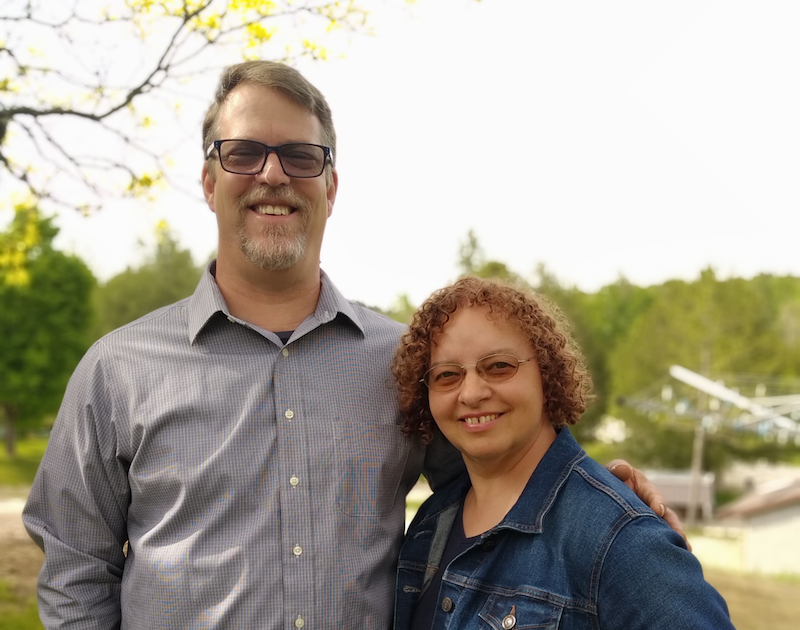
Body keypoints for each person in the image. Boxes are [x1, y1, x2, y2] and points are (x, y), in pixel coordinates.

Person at [24, 61, 679, 630]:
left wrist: (601, 500)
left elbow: (507, 488)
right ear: (209, 181)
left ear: (330, 187)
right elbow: (76, 567)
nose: (272, 174)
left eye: (300, 157)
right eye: (244, 152)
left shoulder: (407, 365)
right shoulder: (116, 371)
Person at [391, 276, 734, 630]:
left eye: (499, 367)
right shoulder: (431, 523)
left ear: (546, 373)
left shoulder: (618, 538)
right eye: (447, 375)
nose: (472, 392)